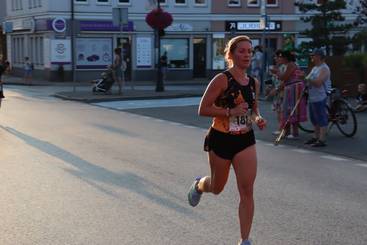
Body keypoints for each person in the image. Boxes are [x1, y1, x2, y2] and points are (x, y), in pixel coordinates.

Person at [187, 35, 266, 245]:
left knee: (247, 189)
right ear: (231, 54)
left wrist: (258, 119)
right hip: (221, 139)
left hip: (245, 140)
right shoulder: (222, 79)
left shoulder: (253, 83)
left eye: (250, 51)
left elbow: (253, 110)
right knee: (217, 187)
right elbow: (203, 109)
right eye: (242, 51)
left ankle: (245, 240)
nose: (247, 55)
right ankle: (198, 185)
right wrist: (230, 111)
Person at [275, 50, 307, 139]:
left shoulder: (291, 65)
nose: (279, 59)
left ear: (285, 58)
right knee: (287, 110)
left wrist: (276, 72)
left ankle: (294, 133)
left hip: (294, 89)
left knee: (292, 110)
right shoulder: (288, 65)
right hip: (290, 88)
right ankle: (288, 132)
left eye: (281, 57)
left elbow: (284, 77)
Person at [304, 48, 331, 147]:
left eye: (313, 55)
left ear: (319, 56)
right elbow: (308, 80)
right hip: (312, 96)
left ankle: (322, 139)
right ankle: (316, 136)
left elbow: (319, 83)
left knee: (321, 117)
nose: (312, 57)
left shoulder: (324, 68)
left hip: (320, 96)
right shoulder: (315, 68)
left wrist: (306, 78)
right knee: (314, 118)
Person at [267, 50, 287, 135]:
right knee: (279, 111)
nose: (275, 58)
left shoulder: (284, 67)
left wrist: (276, 89)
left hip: (282, 92)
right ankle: (282, 129)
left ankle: (282, 130)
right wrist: (270, 87)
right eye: (275, 57)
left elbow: (285, 80)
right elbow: (275, 80)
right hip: (277, 92)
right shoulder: (277, 67)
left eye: (277, 57)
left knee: (282, 112)